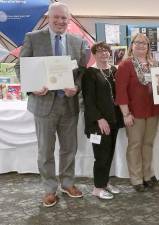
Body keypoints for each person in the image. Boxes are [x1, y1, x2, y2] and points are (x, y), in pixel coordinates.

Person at [15, 2, 89, 207]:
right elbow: (20, 66)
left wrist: (76, 86)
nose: (60, 21)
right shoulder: (33, 38)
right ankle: (49, 189)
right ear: (48, 17)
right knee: (45, 150)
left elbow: (83, 72)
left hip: (69, 104)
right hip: (43, 104)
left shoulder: (77, 41)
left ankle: (67, 183)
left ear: (69, 19)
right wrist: (32, 87)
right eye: (56, 17)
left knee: (69, 149)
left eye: (64, 18)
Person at [115, 33, 159, 192]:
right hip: (135, 112)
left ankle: (147, 175)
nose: (141, 46)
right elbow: (121, 92)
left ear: (148, 47)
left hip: (153, 110)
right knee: (135, 145)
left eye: (145, 43)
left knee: (148, 144)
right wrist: (126, 113)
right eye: (138, 43)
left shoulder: (153, 64)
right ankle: (136, 178)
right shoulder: (125, 65)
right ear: (132, 45)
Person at [81, 42, 123, 199]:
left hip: (113, 120)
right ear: (94, 54)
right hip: (97, 123)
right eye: (99, 51)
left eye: (106, 51)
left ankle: (104, 183)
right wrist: (99, 119)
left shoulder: (113, 70)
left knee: (109, 153)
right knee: (101, 155)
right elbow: (88, 100)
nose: (104, 53)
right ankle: (97, 188)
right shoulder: (89, 73)